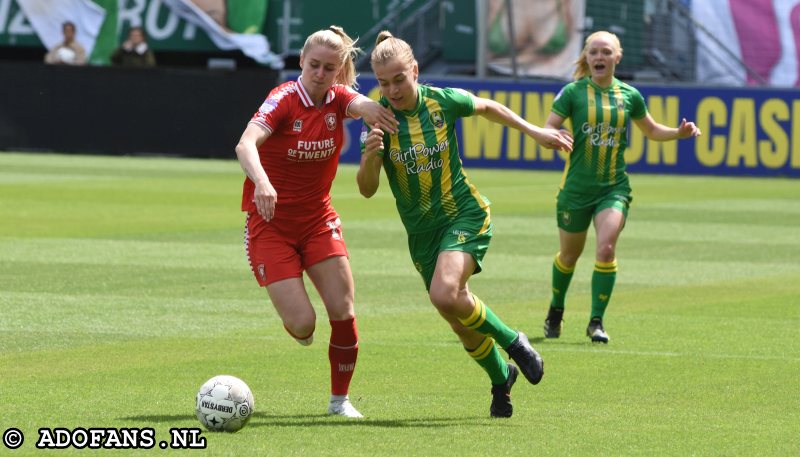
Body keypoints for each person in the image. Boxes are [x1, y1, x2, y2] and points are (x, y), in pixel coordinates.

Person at [358, 31, 573, 418]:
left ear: (415, 71)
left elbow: (489, 107)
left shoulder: (442, 101)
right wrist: (371, 157)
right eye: (383, 82)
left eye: (399, 79)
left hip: (463, 214)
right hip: (422, 235)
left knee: (444, 294)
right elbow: (367, 190)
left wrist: (537, 132)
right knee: (459, 320)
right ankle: (500, 380)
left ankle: (515, 342)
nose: (391, 89)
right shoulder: (378, 119)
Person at [234, 25, 398, 418]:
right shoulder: (284, 99)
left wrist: (384, 103)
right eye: (313, 66)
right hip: (269, 223)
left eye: (329, 68)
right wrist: (263, 182)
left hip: (317, 221)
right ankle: (300, 326)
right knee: (304, 325)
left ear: (338, 70)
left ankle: (339, 402)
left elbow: (366, 107)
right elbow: (245, 143)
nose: (320, 74)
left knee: (343, 310)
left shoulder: (339, 98)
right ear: (301, 63)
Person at [541, 31, 701, 343]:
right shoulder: (572, 93)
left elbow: (652, 130)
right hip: (575, 190)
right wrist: (555, 137)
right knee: (569, 256)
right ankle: (556, 310)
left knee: (606, 247)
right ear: (587, 58)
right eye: (594, 52)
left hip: (613, 188)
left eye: (605, 52)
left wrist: (679, 134)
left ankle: (596, 322)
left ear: (618, 56)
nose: (599, 57)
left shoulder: (630, 95)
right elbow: (549, 126)